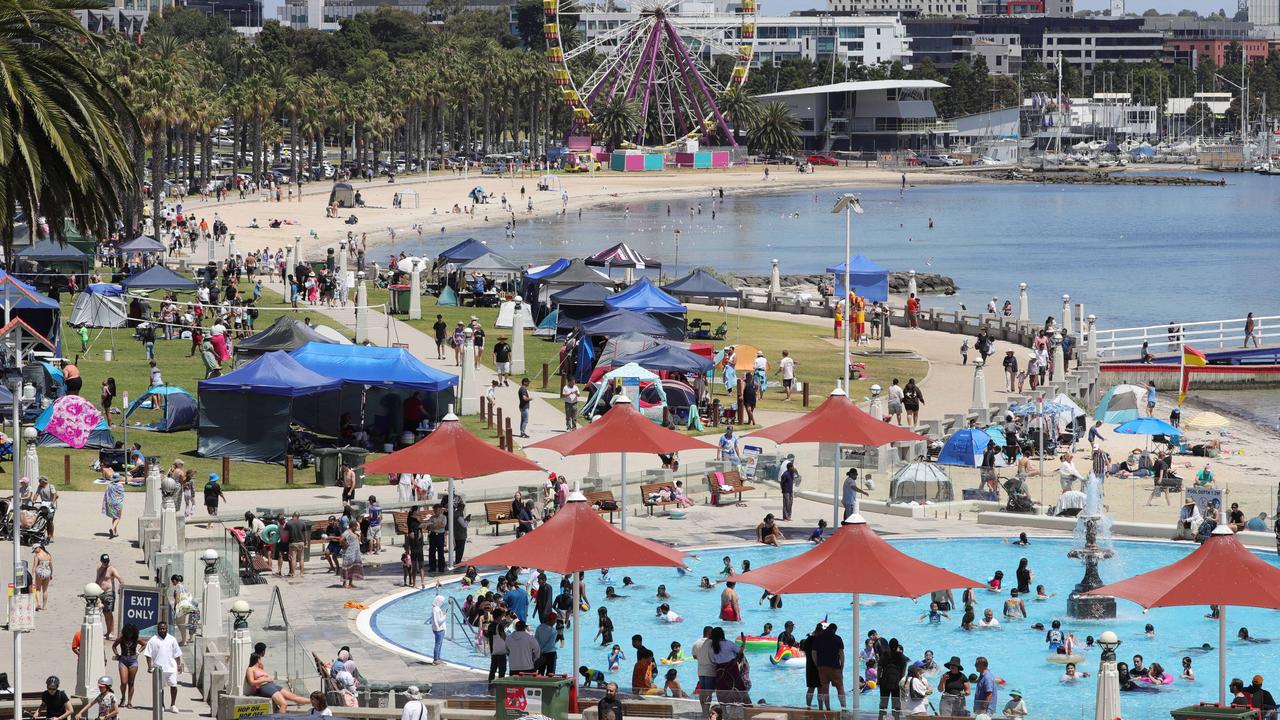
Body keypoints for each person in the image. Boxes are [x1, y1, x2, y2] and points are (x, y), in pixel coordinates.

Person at [143, 621, 183, 711]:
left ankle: (173, 705)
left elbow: (177, 654)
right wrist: (149, 666)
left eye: (164, 628)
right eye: (160, 628)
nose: (162, 630)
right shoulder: (153, 640)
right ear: (157, 629)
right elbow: (147, 654)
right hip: (158, 669)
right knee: (160, 689)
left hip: (171, 668)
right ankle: (161, 705)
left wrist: (179, 665)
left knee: (173, 686)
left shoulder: (172, 639)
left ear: (166, 629)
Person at [112, 624, 144, 707]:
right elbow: (114, 646)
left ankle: (129, 702)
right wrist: (117, 655)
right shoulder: (121, 639)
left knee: (131, 682)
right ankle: (123, 697)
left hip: (133, 661)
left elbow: (144, 644)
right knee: (123, 682)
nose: (129, 634)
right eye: (128, 633)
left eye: (131, 633)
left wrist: (138, 652)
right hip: (123, 660)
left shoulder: (136, 639)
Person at [96, 554, 123, 639]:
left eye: (107, 561)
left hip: (109, 593)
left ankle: (111, 632)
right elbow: (97, 580)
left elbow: (119, 578)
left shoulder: (111, 569)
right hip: (100, 593)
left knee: (109, 613)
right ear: (101, 561)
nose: (106, 563)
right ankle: (108, 632)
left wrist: (121, 588)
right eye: (104, 562)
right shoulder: (99, 569)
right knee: (104, 613)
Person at [31, 542, 52, 611]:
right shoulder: (48, 555)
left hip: (39, 573)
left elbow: (34, 566)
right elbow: (51, 566)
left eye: (34, 550)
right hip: (47, 573)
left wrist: (32, 575)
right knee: (45, 590)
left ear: (38, 548)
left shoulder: (37, 556)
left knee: (38, 589)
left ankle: (38, 604)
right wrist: (51, 574)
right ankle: (44, 606)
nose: (34, 552)